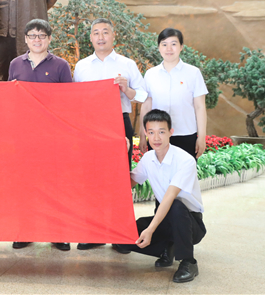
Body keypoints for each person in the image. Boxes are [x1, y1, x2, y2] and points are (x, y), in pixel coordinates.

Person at [73, 17, 146, 250]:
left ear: (114, 36)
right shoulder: (82, 66)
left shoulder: (127, 64)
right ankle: (94, 234)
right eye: (96, 32)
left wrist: (127, 89)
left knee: (120, 179)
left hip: (118, 123)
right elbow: (74, 99)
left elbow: (144, 95)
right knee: (91, 180)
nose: (101, 37)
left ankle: (120, 235)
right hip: (90, 126)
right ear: (90, 38)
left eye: (105, 32)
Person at [113, 109, 206, 283]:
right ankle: (168, 247)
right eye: (151, 132)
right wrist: (121, 153)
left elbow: (169, 198)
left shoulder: (185, 160)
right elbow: (125, 185)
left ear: (171, 132)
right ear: (146, 133)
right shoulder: (148, 158)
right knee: (123, 239)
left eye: (161, 132)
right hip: (165, 220)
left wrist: (150, 230)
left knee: (176, 206)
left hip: (190, 223)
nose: (156, 138)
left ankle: (188, 262)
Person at [8, 19, 72, 251]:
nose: (37, 40)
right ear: (26, 39)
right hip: (24, 135)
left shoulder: (61, 65)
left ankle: (58, 233)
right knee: (24, 184)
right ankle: (25, 231)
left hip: (52, 135)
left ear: (49, 39)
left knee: (55, 184)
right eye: (33, 36)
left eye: (42, 35)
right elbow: (10, 97)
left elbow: (69, 100)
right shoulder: (15, 64)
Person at [139, 28, 208, 159]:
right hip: (157, 137)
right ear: (159, 47)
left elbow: (200, 107)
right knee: (158, 172)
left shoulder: (193, 73)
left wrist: (202, 137)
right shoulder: (150, 74)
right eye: (164, 44)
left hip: (186, 134)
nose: (169, 49)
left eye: (174, 44)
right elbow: (146, 106)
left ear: (181, 47)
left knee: (185, 171)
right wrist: (142, 136)